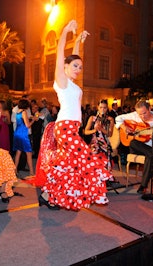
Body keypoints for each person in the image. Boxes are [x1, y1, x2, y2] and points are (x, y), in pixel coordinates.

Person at [38, 20, 111, 211]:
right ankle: (92, 189)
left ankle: (47, 195)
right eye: (75, 66)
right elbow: (62, 53)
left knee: (68, 165)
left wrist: (78, 40)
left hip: (72, 129)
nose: (78, 69)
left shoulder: (73, 84)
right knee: (86, 157)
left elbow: (73, 56)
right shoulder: (61, 81)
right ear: (65, 66)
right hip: (64, 129)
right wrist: (65, 32)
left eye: (80, 66)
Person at [115, 100, 153, 194]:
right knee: (133, 142)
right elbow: (118, 118)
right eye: (140, 114)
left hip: (151, 148)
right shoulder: (134, 115)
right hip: (137, 147)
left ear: (150, 109)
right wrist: (124, 127)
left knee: (150, 156)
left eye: (144, 113)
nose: (142, 116)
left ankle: (143, 186)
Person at [13, 99, 38, 176]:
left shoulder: (18, 112)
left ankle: (15, 170)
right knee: (29, 153)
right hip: (23, 134)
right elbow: (27, 125)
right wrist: (33, 120)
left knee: (18, 152)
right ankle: (31, 172)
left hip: (17, 133)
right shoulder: (24, 112)